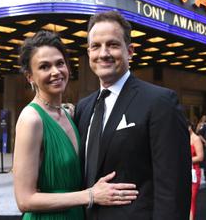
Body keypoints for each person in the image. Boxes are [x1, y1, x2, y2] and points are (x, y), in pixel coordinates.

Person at [74, 11, 191, 219]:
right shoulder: (83, 107)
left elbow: (173, 189)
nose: (103, 53)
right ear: (89, 52)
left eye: (112, 44)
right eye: (96, 46)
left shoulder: (160, 102)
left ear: (130, 51)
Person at [13, 30, 138, 220]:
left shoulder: (71, 113)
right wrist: (90, 195)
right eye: (45, 67)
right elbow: (24, 200)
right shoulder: (31, 119)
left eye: (60, 63)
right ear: (30, 77)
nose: (56, 72)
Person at [188, 121, 204, 220]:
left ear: (190, 127)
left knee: (192, 199)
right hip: (185, 171)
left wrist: (185, 160)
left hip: (194, 171)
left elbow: (200, 157)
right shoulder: (183, 138)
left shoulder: (196, 139)